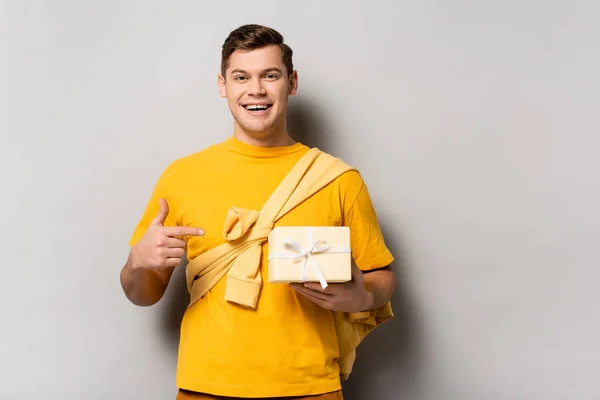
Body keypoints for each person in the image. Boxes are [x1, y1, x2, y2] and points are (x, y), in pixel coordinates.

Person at [120, 24, 396, 400]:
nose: (256, 90)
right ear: (223, 85)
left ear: (291, 82)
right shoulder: (182, 176)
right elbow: (141, 295)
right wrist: (137, 263)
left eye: (270, 75)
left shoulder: (338, 179)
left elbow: (381, 276)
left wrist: (361, 297)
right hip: (206, 385)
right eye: (241, 77)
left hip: (309, 387)